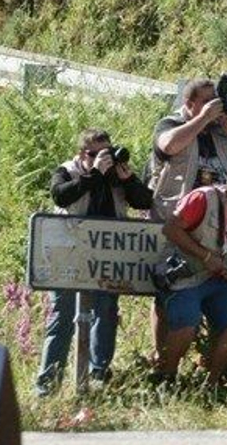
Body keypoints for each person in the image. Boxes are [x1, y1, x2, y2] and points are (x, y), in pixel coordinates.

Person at [147, 77, 227, 355]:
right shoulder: (171, 124)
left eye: (216, 100)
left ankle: (207, 359)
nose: (214, 106)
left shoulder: (222, 130)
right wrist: (201, 119)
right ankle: (161, 355)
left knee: (215, 287)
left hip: (217, 221)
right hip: (177, 220)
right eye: (206, 101)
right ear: (189, 103)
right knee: (168, 290)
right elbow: (169, 146)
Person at [36, 130, 155, 395]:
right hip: (68, 253)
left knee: (106, 314)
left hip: (106, 257)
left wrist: (129, 180)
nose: (103, 158)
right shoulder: (68, 170)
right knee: (62, 316)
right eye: (95, 154)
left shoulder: (117, 176)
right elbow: (60, 195)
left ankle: (98, 375)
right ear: (82, 155)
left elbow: (145, 201)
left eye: (107, 152)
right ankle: (47, 385)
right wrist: (93, 175)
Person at [154, 164, 227, 389]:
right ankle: (166, 378)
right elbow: (171, 229)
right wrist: (205, 256)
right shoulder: (203, 198)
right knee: (187, 324)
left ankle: (211, 384)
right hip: (186, 274)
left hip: (221, 282)